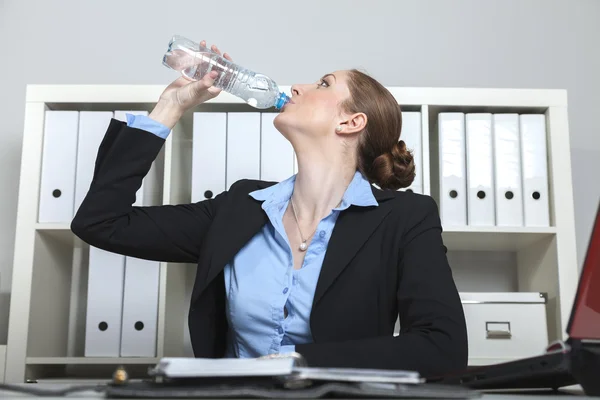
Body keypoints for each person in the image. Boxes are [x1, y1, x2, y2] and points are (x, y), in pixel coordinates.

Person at [71, 41, 468, 377]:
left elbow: (443, 349)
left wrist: (297, 363)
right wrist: (170, 106)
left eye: (322, 84)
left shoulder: (404, 217)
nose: (296, 87)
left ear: (351, 121)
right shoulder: (239, 208)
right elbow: (101, 222)